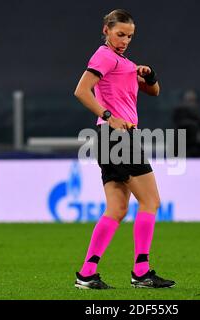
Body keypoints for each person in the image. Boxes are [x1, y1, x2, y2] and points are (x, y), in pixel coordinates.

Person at [73, 9, 175, 289]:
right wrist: (108, 116)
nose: (125, 40)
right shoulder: (104, 56)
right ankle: (141, 271)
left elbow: (153, 91)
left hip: (111, 138)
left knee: (117, 209)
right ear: (106, 30)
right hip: (117, 137)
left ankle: (86, 273)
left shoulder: (123, 62)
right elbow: (81, 90)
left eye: (129, 36)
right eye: (120, 34)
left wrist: (149, 75)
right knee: (151, 202)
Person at [173, 89, 200, 157]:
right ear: (183, 102)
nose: (191, 104)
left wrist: (199, 118)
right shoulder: (179, 115)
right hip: (185, 152)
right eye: (188, 101)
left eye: (193, 100)